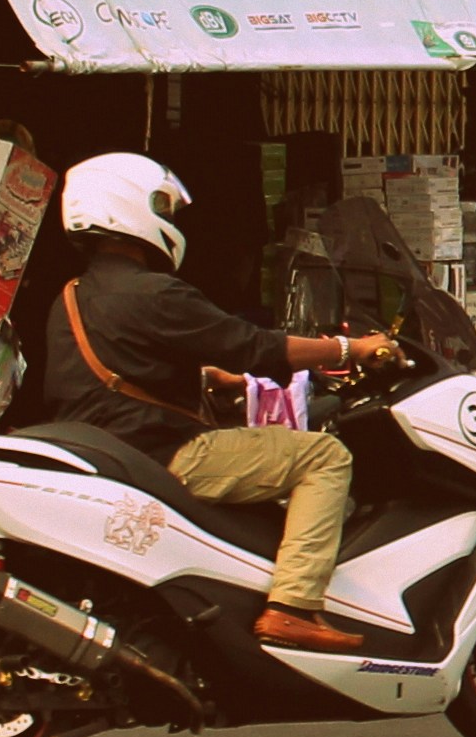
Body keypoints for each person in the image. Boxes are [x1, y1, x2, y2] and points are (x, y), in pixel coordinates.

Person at [33, 153, 400, 653]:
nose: (168, 218)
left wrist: (208, 377)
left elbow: (120, 366)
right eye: (161, 205)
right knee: (325, 456)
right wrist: (349, 349)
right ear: (129, 207)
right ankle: (291, 606)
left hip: (113, 453)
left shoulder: (71, 296)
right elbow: (257, 347)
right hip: (166, 454)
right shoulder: (154, 292)